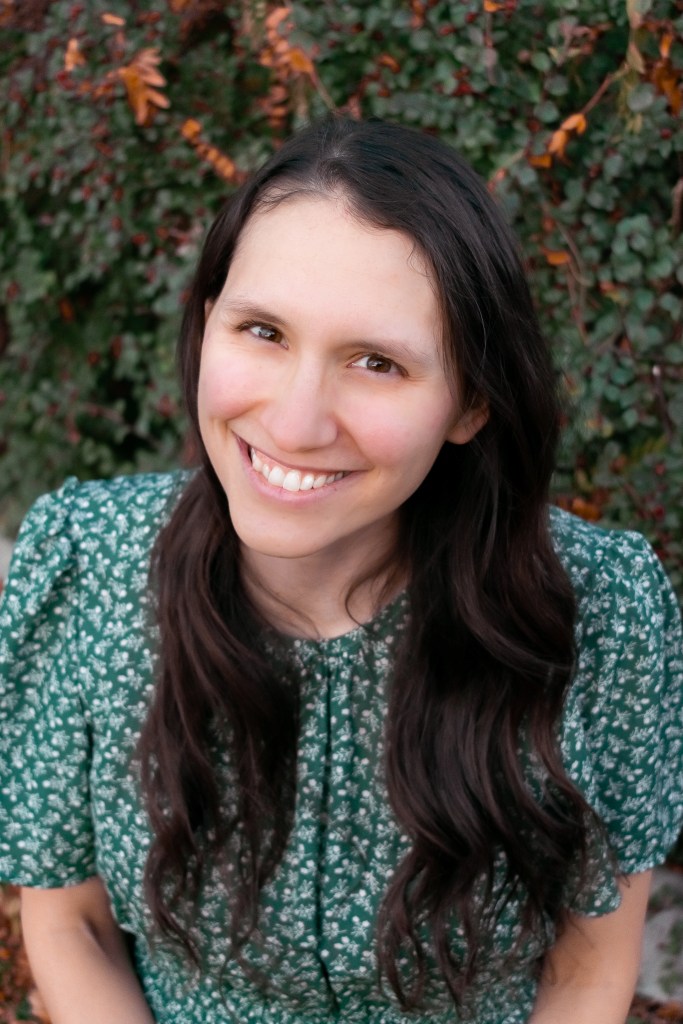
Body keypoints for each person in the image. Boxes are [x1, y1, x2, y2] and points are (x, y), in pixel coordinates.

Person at [1, 116, 681, 1024]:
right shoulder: (85, 563)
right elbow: (72, 922)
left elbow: (590, 960)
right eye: (263, 331)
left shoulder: (599, 609)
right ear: (208, 326)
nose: (295, 421)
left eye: (376, 362)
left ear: (470, 402)